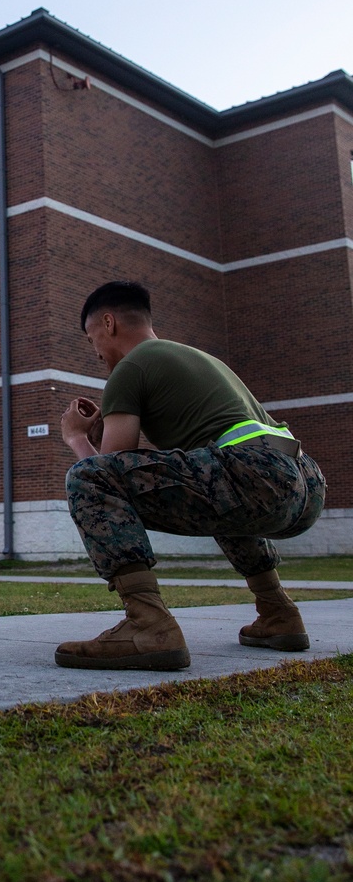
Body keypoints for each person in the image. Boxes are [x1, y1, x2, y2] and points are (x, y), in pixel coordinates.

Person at [54, 280, 326, 671]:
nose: (95, 351)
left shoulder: (130, 367)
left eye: (91, 336)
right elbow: (145, 468)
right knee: (220, 495)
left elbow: (102, 473)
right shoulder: (196, 357)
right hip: (303, 482)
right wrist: (101, 439)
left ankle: (148, 625)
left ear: (108, 323)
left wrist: (77, 438)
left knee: (86, 477)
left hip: (252, 473)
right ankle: (277, 611)